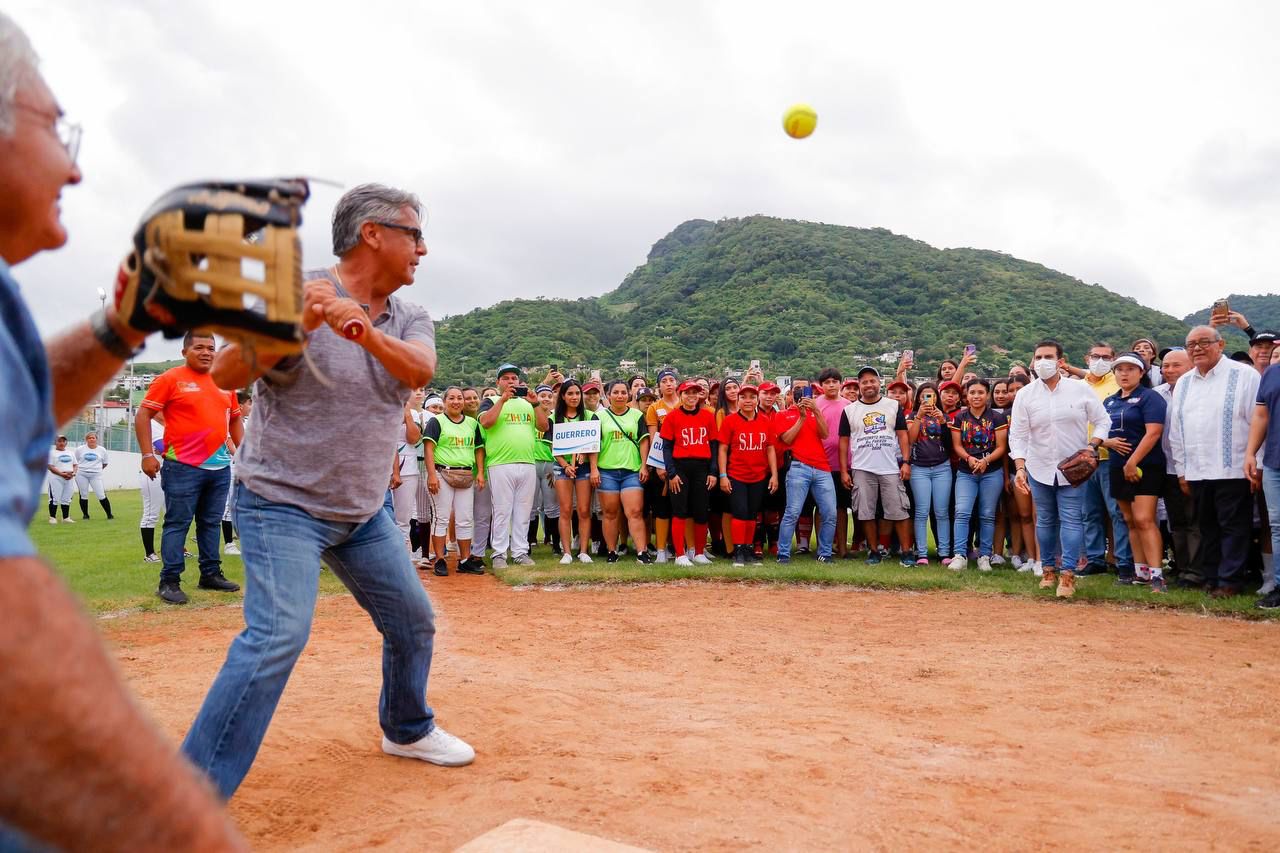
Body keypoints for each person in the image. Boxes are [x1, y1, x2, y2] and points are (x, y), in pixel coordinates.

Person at [0, 12, 245, 846]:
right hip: (180, 463)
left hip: (214, 462)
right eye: (55, 126)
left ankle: (203, 575)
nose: (74, 163)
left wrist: (123, 323)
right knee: (178, 529)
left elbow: (20, 398)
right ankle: (177, 579)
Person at [184, 182, 474, 799]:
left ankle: (405, 727)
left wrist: (360, 330)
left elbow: (420, 370)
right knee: (278, 635)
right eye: (414, 234)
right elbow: (230, 372)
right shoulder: (297, 291)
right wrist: (295, 324)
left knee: (413, 620)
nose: (423, 248)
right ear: (374, 234)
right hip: (280, 503)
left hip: (362, 511)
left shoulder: (409, 315)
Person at [136, 330, 243, 604]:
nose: (206, 352)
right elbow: (144, 413)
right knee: (177, 523)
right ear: (185, 352)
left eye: (211, 347)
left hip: (219, 468)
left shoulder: (225, 382)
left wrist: (245, 452)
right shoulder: (170, 379)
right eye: (199, 347)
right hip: (182, 466)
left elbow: (234, 419)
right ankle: (169, 581)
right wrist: (148, 454)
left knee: (210, 522)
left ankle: (210, 574)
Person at [1009, 340, 1110, 599]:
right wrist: (1020, 467)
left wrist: (1091, 447)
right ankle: (1048, 571)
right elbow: (1017, 435)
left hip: (1073, 469)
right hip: (1038, 466)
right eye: (1038, 356)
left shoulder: (1081, 389)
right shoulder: (1025, 394)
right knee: (1045, 519)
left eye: (1048, 356)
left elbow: (1102, 422)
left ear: (1061, 361)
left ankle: (1068, 575)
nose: (1043, 361)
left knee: (1072, 519)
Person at [1168, 326, 1261, 598]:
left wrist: (1254, 460)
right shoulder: (1184, 382)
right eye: (1191, 344)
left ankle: (1230, 580)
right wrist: (1182, 471)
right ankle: (1211, 576)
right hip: (1197, 469)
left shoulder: (1244, 375)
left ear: (1220, 344)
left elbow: (1257, 421)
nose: (1197, 348)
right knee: (1206, 526)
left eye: (1204, 342)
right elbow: (1177, 429)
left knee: (1233, 525)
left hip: (1234, 467)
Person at [1102, 352, 1168, 592]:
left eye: (1130, 369)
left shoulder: (1150, 398)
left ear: (1142, 372)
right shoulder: (1109, 401)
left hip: (1146, 466)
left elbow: (1153, 433)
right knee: (1129, 520)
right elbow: (1100, 433)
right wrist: (1106, 444)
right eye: (1120, 369)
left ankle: (1157, 575)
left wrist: (1133, 461)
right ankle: (1141, 572)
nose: (1124, 373)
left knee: (1144, 519)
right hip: (1116, 466)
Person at [839, 367, 914, 568]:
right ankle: (874, 551)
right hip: (862, 467)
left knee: (899, 510)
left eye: (872, 381)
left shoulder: (892, 406)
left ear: (879, 383)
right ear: (859, 385)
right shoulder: (849, 410)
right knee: (866, 512)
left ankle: (907, 552)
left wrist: (906, 462)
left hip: (890, 467)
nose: (869, 385)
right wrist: (844, 470)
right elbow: (844, 442)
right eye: (864, 382)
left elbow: (902, 435)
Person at [478, 363, 548, 569]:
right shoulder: (489, 401)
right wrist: (502, 400)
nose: (511, 382)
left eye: (514, 378)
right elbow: (486, 423)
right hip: (500, 463)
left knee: (524, 510)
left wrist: (536, 404)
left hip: (526, 462)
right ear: (498, 382)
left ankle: (520, 551)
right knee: (502, 510)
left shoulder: (527, 403)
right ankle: (499, 553)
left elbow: (544, 426)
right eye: (506, 378)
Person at [1076, 342, 1135, 581]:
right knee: (1089, 513)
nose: (1100, 360)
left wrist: (1103, 442)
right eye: (1095, 356)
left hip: (1111, 459)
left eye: (1106, 357)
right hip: (1082, 460)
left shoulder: (1117, 384)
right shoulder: (1075, 386)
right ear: (1086, 358)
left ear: (1113, 359)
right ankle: (1095, 559)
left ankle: (1123, 561)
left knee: (1117, 513)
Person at [424, 386, 486, 576]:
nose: (456, 401)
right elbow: (428, 448)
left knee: (465, 519)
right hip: (443, 473)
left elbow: (478, 449)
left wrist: (480, 472)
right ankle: (440, 559)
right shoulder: (437, 421)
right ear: (445, 401)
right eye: (451, 398)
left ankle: (465, 559)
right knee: (441, 518)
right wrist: (432, 475)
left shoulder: (472, 423)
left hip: (465, 475)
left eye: (459, 398)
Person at [774, 379, 837, 564]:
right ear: (791, 393)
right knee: (792, 512)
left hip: (822, 467)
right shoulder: (783, 415)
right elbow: (786, 439)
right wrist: (801, 417)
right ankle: (783, 554)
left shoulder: (816, 413)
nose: (801, 393)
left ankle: (825, 554)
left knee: (830, 513)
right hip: (798, 466)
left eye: (805, 389)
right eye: (797, 389)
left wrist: (816, 410)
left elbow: (825, 434)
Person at [948, 379, 1008, 572]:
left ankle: (984, 555)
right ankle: (959, 555)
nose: (976, 396)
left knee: (987, 514)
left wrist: (986, 460)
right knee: (962, 512)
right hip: (966, 472)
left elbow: (1001, 447)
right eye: (972, 392)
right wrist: (969, 458)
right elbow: (957, 445)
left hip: (991, 472)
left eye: (980, 392)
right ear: (967, 395)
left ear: (987, 394)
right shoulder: (960, 417)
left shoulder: (996, 418)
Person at [717, 384, 779, 566]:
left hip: (758, 475)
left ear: (757, 399)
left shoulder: (765, 421)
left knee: (752, 514)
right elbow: (722, 449)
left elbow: (770, 449)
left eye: (752, 397)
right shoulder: (730, 421)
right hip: (737, 474)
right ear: (738, 399)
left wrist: (774, 475)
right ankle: (738, 550)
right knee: (740, 513)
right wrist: (722, 475)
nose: (748, 401)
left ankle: (748, 548)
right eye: (744, 397)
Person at [1152, 349, 1199, 586]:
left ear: (1190, 365)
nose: (1169, 370)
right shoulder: (1156, 394)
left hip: (1195, 467)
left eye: (1175, 365)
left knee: (1196, 521)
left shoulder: (1197, 391)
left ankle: (1197, 571)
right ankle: (1182, 568)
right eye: (1165, 366)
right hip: (1167, 467)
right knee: (1176, 521)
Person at [661, 379, 720, 566]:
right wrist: (671, 473)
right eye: (687, 393)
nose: (691, 396)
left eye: (695, 392)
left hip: (701, 467)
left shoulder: (707, 416)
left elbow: (713, 445)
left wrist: (713, 472)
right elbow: (667, 447)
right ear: (681, 395)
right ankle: (680, 554)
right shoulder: (672, 417)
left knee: (701, 510)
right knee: (680, 510)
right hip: (680, 467)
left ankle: (699, 552)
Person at [597, 379, 654, 563]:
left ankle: (641, 552)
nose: (620, 396)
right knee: (610, 513)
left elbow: (644, 441)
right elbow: (593, 445)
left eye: (623, 392)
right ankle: (612, 551)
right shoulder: (599, 417)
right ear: (608, 395)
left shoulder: (637, 416)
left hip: (632, 470)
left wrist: (644, 465)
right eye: (616, 392)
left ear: (629, 394)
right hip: (607, 470)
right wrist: (593, 469)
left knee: (635, 512)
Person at [551, 379, 598, 565]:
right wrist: (565, 465)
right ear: (563, 396)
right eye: (570, 393)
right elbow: (552, 447)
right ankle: (567, 552)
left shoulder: (590, 416)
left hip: (584, 468)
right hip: (562, 468)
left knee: (584, 510)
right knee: (565, 509)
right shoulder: (554, 417)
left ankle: (584, 551)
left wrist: (591, 465)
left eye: (577, 393)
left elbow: (594, 446)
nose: (574, 397)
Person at [1248, 349, 1280, 608]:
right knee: (1277, 526)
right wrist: (1251, 452)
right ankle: (1279, 586)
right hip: (1273, 461)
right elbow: (1261, 415)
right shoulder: (1270, 374)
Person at [907, 382, 952, 565]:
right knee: (921, 511)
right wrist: (918, 416)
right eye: (924, 395)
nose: (928, 399)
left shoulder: (945, 416)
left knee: (941, 512)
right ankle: (922, 553)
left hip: (942, 467)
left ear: (937, 398)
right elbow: (910, 439)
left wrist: (942, 421)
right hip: (919, 468)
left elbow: (951, 443)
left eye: (932, 395)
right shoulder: (911, 416)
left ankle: (944, 553)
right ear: (918, 398)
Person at [813, 368, 853, 558]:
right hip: (821, 464)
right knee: (822, 508)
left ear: (841, 383)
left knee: (841, 508)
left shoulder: (849, 405)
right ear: (821, 385)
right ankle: (823, 548)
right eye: (827, 382)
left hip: (844, 464)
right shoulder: (815, 404)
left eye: (834, 381)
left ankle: (843, 548)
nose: (831, 385)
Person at [645, 367, 680, 561]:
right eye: (664, 381)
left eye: (671, 380)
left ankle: (678, 547)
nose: (668, 383)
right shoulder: (654, 408)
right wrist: (658, 465)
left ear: (676, 383)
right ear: (659, 386)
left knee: (681, 509)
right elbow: (653, 438)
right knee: (662, 508)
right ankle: (660, 551)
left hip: (682, 463)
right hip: (662, 464)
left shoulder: (685, 403)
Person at [529, 383, 560, 554]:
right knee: (531, 506)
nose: (546, 399)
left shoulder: (556, 418)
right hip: (532, 463)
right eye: (542, 396)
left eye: (549, 396)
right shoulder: (530, 416)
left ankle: (555, 544)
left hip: (550, 464)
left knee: (552, 506)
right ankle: (530, 542)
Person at [73, 430, 112, 520]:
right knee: (83, 494)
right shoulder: (80, 449)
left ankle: (109, 514)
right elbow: (75, 461)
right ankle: (85, 515)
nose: (91, 439)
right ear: (86, 439)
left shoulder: (102, 450)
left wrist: (96, 469)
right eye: (89, 438)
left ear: (96, 439)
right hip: (81, 474)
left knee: (101, 494)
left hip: (96, 475)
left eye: (93, 438)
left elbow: (105, 463)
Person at [45, 434, 76, 523]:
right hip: (56, 478)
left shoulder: (70, 453)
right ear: (55, 442)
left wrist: (73, 473)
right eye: (59, 441)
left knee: (67, 498)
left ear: (66, 442)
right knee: (55, 497)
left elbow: (75, 464)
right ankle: (52, 518)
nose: (61, 443)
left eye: (63, 441)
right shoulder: (51, 453)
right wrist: (62, 474)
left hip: (69, 478)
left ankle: (66, 518)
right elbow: (50, 466)